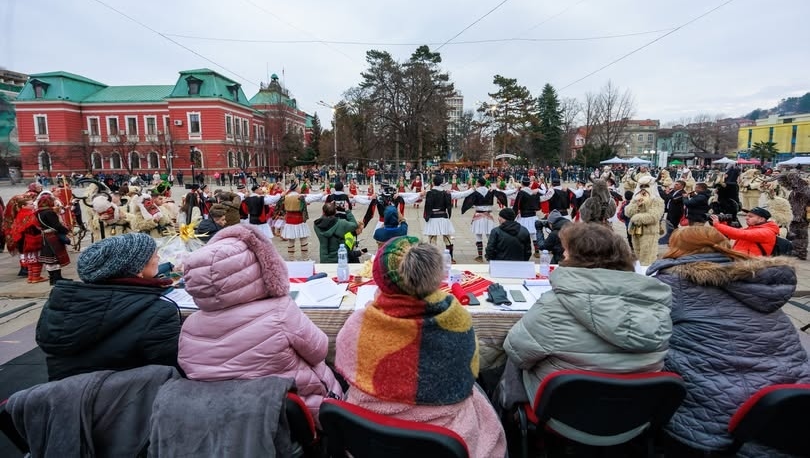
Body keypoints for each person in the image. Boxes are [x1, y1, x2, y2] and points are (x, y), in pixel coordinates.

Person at [335, 237, 507, 457]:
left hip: (368, 437)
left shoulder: (358, 324)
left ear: (380, 278)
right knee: (481, 395)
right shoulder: (458, 320)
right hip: (443, 440)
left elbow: (342, 361)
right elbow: (469, 373)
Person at [646, 226, 810, 454]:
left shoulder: (675, 283)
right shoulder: (759, 283)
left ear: (677, 249)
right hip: (794, 405)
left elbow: (643, 334)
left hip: (723, 417)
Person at [178, 224, 343, 422]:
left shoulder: (188, 326)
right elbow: (320, 350)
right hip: (296, 413)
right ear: (258, 266)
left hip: (229, 419)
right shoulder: (280, 312)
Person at [504, 222, 672, 403]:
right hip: (637, 413)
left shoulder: (552, 306)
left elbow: (517, 352)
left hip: (565, 413)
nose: (563, 255)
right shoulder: (657, 302)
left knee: (512, 362)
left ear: (578, 257)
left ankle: (505, 416)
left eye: (566, 251)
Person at [36, 233, 181, 381]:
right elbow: (173, 371)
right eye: (154, 255)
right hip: (128, 397)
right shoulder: (158, 313)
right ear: (137, 268)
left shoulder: (63, 305)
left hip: (64, 396)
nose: (158, 258)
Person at [710, 206, 780, 256]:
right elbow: (733, 235)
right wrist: (722, 223)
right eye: (746, 216)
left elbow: (742, 234)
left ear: (761, 219)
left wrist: (718, 225)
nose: (746, 218)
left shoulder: (767, 231)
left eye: (750, 216)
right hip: (740, 259)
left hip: (752, 264)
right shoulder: (753, 228)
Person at [35, 194, 71, 285]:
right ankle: (56, 279)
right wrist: (66, 231)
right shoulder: (49, 212)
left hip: (45, 236)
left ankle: (54, 279)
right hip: (52, 236)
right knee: (54, 258)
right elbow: (57, 225)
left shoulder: (38, 212)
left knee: (50, 259)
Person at [423, 175, 456, 262]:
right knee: (447, 238)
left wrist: (427, 216)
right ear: (441, 183)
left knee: (432, 239)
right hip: (443, 217)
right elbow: (451, 203)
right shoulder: (446, 193)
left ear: (433, 182)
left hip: (433, 218)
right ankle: (450, 258)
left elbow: (428, 206)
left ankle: (432, 259)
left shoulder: (430, 193)